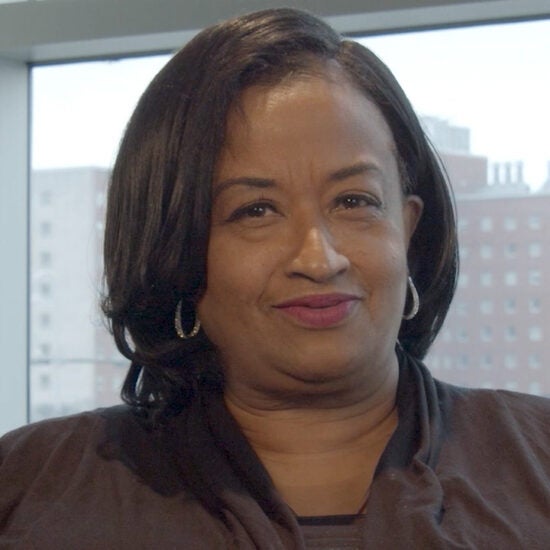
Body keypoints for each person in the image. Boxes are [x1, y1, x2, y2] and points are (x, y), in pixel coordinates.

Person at [1, 8, 549, 548]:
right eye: (255, 211)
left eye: (354, 200)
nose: (319, 258)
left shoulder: (536, 459)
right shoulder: (32, 488)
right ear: (173, 247)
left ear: (406, 230)